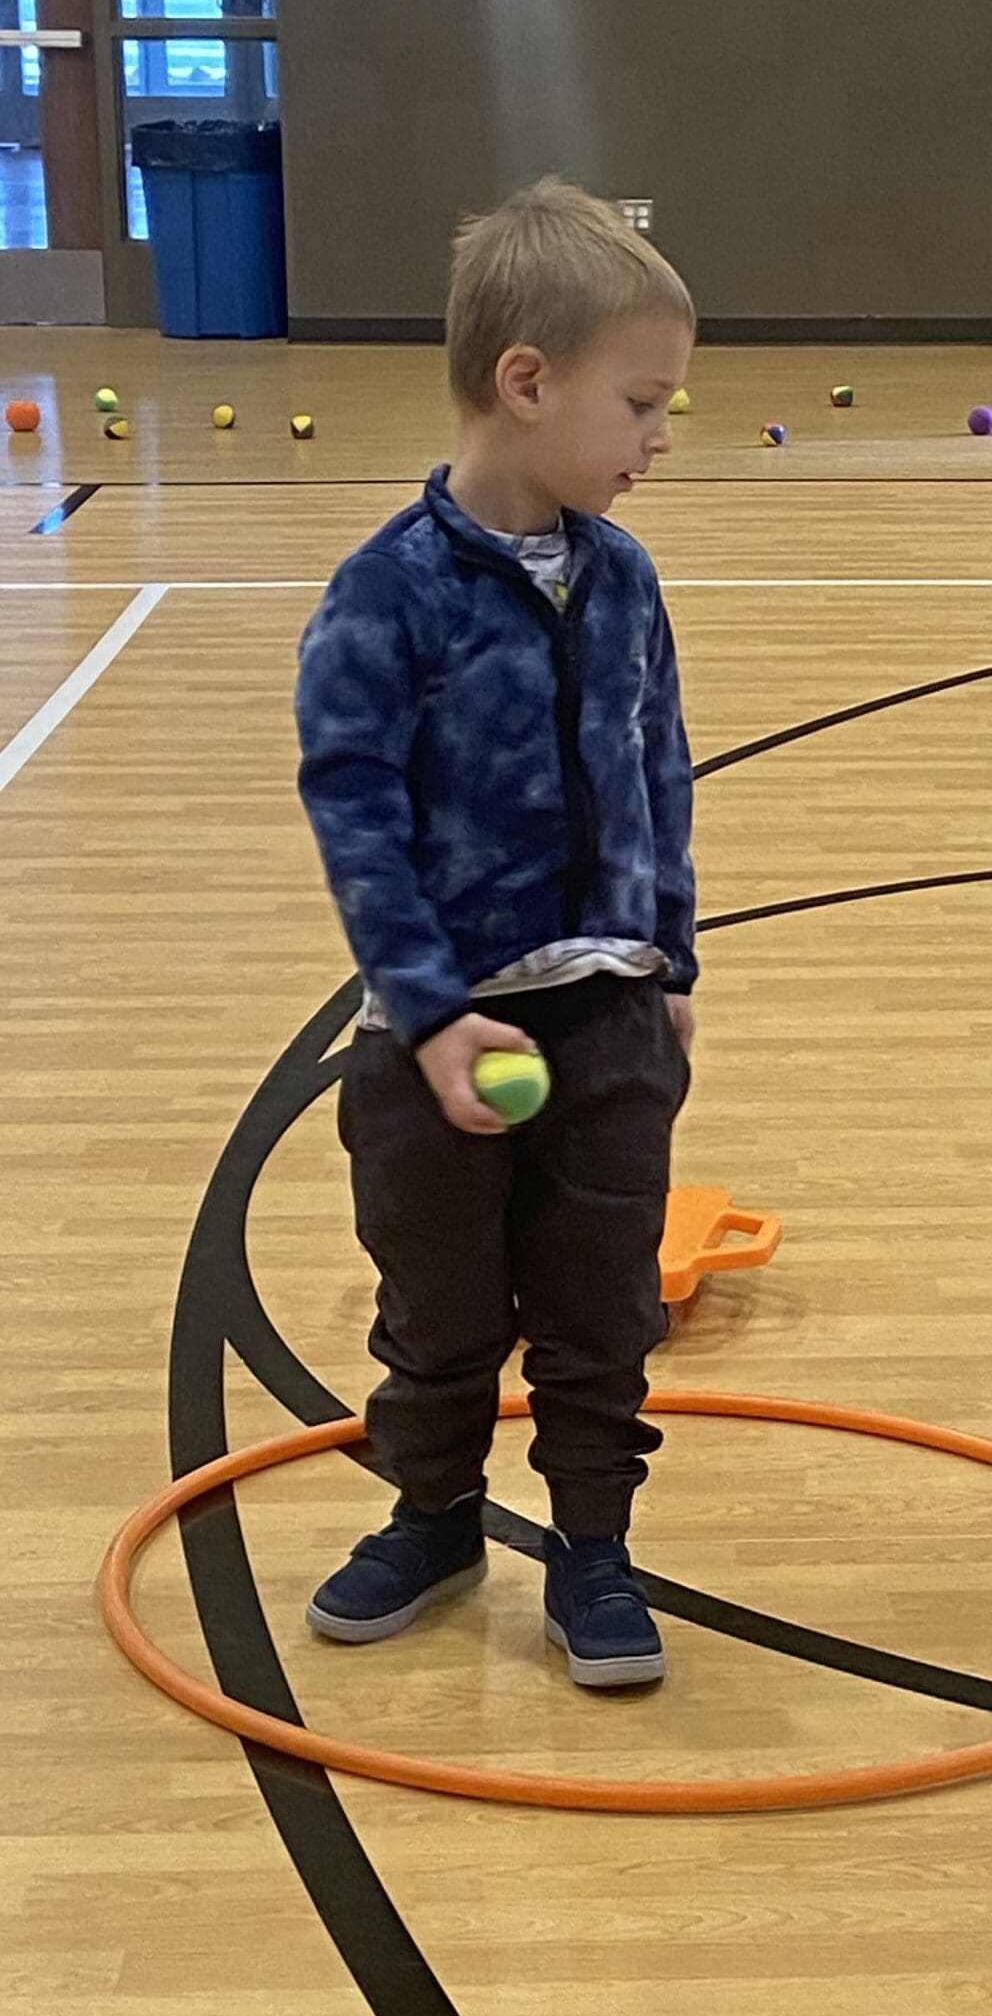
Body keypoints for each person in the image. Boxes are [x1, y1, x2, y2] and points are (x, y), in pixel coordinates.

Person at [294, 177, 697, 1689]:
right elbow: (356, 814)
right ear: (526, 383)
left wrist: (668, 960)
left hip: (607, 1019)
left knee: (603, 1306)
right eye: (640, 404)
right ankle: (433, 1517)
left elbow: (660, 770)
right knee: (439, 1305)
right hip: (434, 1038)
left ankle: (593, 1546)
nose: (660, 437)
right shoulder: (384, 597)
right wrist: (426, 1008)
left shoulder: (625, 577)